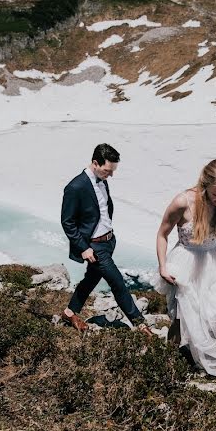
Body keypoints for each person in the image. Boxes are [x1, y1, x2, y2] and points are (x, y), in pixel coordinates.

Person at [155, 159, 216, 389]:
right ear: (204, 185)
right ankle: (167, 365)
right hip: (188, 262)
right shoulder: (182, 202)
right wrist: (163, 266)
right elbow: (162, 234)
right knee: (181, 320)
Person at [61, 143, 152, 337]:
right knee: (118, 282)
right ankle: (141, 325)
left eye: (112, 171)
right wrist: (84, 247)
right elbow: (67, 222)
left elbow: (103, 210)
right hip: (94, 247)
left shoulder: (102, 180)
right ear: (95, 163)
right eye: (107, 170)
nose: (110, 175)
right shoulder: (75, 187)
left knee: (91, 279)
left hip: (108, 241)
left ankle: (69, 313)